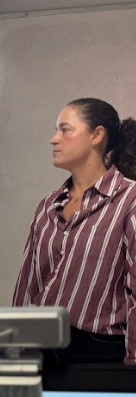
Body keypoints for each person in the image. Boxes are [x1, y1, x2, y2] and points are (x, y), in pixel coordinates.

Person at [13, 98, 136, 364]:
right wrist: (15, 350)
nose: (54, 139)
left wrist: (132, 365)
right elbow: (27, 284)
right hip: (42, 347)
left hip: (99, 353)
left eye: (65, 130)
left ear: (96, 135)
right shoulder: (48, 205)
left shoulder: (129, 200)